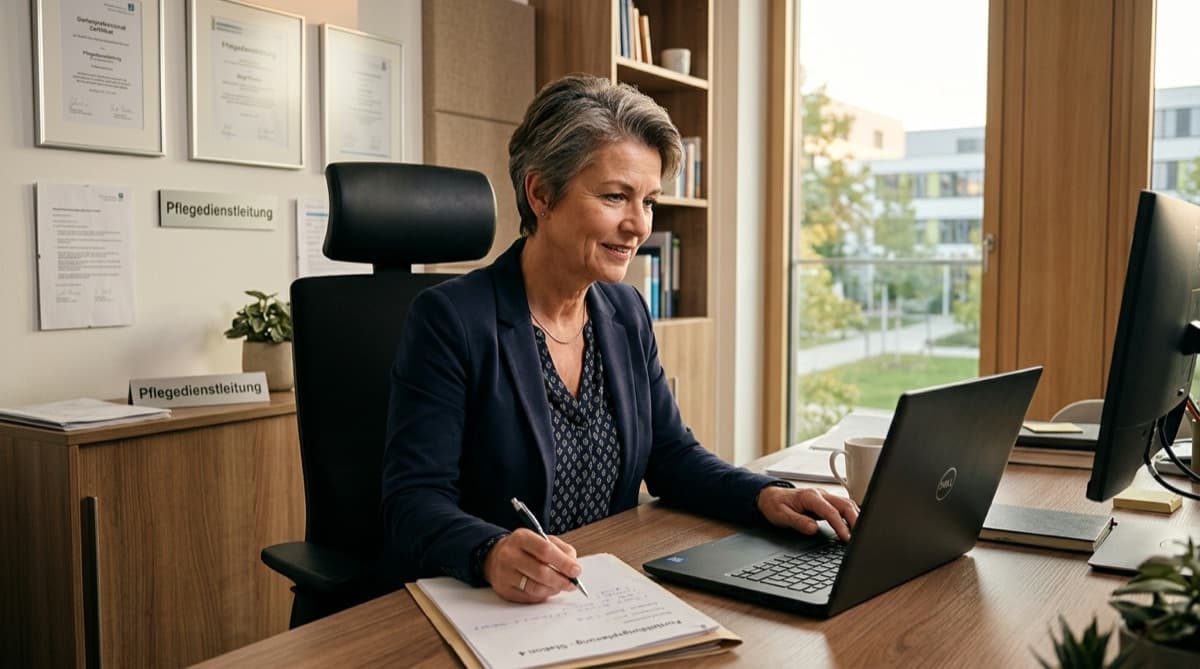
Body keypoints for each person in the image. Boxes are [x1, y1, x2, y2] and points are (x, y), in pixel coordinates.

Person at [382, 74, 858, 603]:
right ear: (540, 194)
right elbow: (414, 501)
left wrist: (764, 495)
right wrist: (490, 551)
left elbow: (672, 456)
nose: (639, 225)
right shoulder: (451, 319)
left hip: (608, 590)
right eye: (615, 197)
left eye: (649, 201)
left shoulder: (624, 311)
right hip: (494, 604)